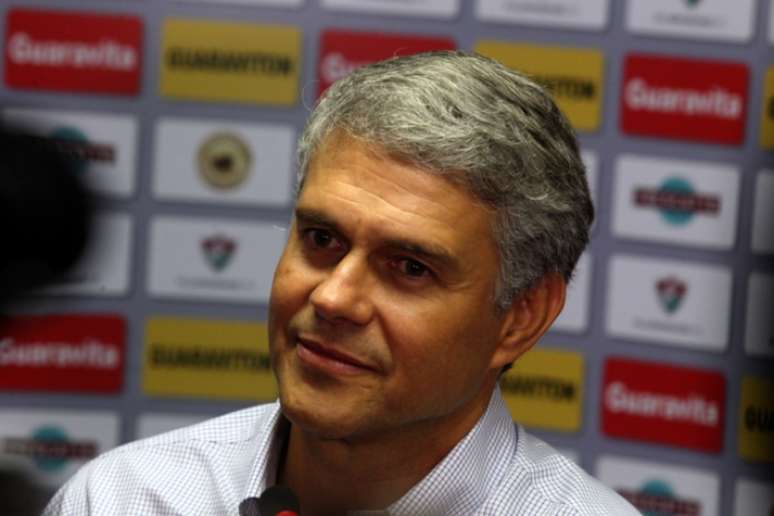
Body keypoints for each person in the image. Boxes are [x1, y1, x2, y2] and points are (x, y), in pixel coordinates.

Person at [43, 51, 637, 515]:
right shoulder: (125, 499)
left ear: (522, 315)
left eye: (409, 267)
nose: (332, 298)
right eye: (322, 240)